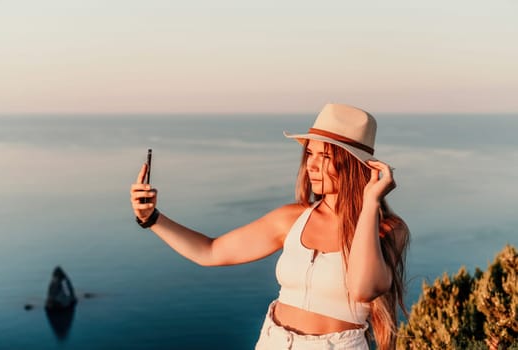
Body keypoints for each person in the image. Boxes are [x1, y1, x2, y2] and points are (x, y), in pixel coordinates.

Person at [130, 103, 410, 349]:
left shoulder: (387, 229)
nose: (311, 165)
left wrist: (371, 202)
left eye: (324, 157)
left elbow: (364, 288)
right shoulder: (292, 218)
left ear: (351, 164)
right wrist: (152, 218)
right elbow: (211, 251)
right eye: (310, 154)